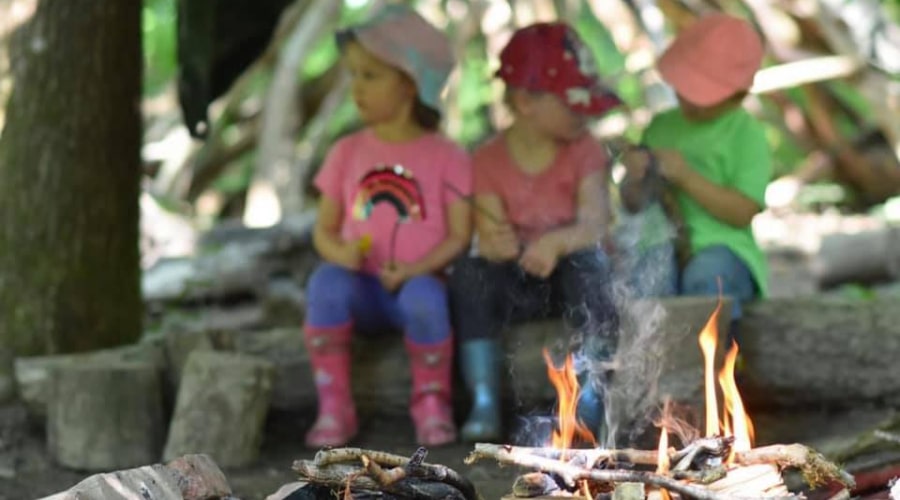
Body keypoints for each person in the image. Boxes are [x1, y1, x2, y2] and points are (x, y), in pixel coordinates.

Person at [302, 4, 472, 448]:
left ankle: (432, 406)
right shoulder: (346, 151)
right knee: (325, 284)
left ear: (411, 83)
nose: (356, 87)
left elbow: (459, 235)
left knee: (425, 299)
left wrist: (416, 270)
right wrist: (341, 254)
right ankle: (334, 407)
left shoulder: (448, 156)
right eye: (354, 74)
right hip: (361, 288)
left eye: (371, 75)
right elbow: (324, 230)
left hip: (416, 284)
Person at [449, 22, 621, 443]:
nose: (583, 113)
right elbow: (487, 230)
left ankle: (591, 395)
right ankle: (484, 399)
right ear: (525, 101)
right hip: (518, 280)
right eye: (572, 103)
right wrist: (496, 244)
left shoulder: (586, 151)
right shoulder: (487, 158)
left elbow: (596, 221)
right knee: (469, 275)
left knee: (591, 268)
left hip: (570, 277)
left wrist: (556, 242)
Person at [618, 13, 772, 342]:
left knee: (707, 281)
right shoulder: (661, 126)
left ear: (737, 94)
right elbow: (632, 204)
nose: (688, 98)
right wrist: (633, 178)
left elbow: (742, 211)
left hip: (724, 249)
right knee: (642, 286)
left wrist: (686, 177)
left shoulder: (746, 134)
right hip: (659, 245)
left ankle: (716, 376)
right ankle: (652, 383)